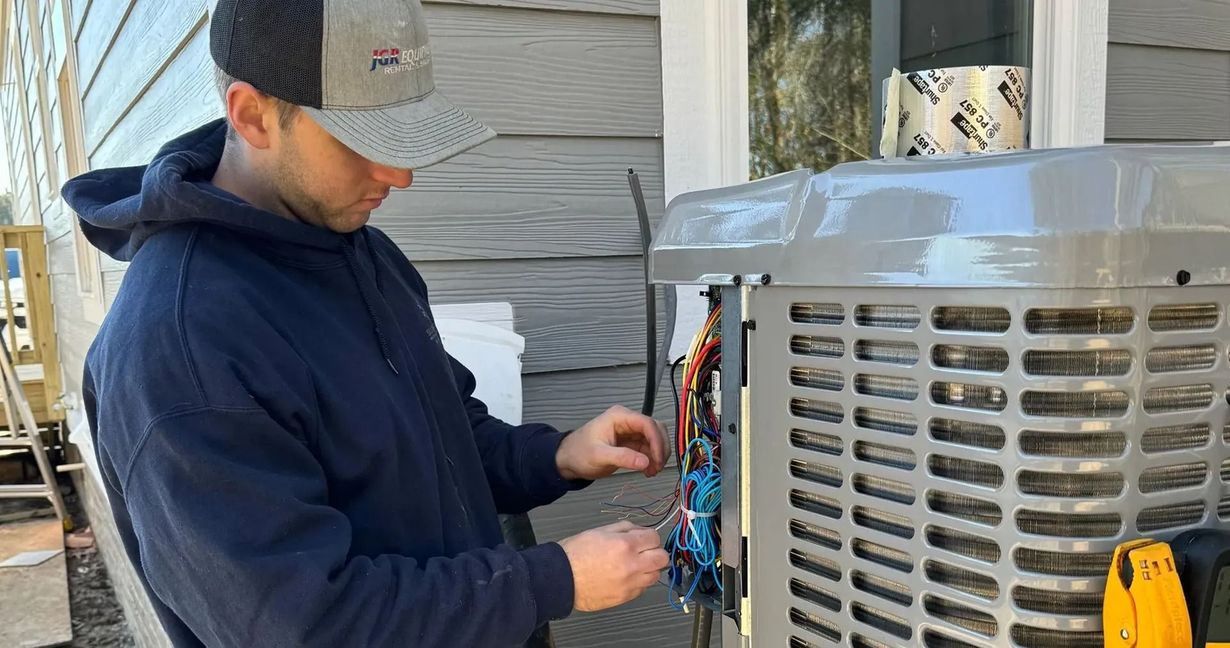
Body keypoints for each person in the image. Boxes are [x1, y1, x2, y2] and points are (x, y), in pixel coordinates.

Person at [61, 0, 671, 646]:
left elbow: (448, 436)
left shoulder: (360, 251)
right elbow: (311, 626)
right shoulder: (179, 349)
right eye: (365, 140)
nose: (399, 175)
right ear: (252, 114)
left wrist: (559, 455)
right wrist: (554, 580)